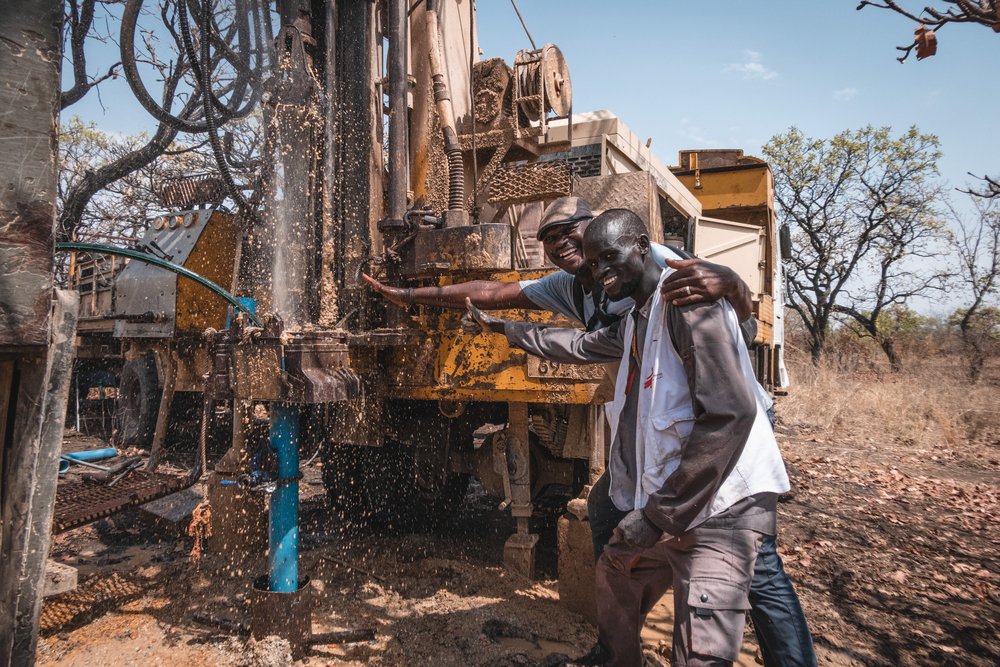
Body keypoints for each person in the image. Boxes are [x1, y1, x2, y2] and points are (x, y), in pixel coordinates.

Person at [367, 198, 816, 666]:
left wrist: (737, 286)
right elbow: (543, 319)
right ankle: (616, 649)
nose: (565, 246)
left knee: (754, 571)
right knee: (609, 517)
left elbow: (732, 380)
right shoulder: (594, 292)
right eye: (548, 238)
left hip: (724, 458)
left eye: (572, 233)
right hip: (665, 436)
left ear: (630, 242)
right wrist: (440, 307)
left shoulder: (673, 280)